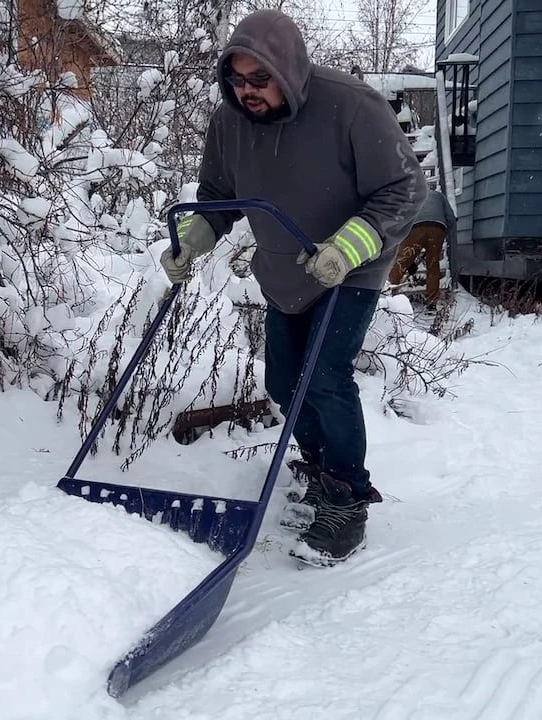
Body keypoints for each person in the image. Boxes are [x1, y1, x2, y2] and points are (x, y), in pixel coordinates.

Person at [158, 9, 427, 566]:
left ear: (289, 69)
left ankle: (347, 497)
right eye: (237, 79)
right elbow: (219, 196)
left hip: (350, 266)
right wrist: (193, 239)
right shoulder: (229, 122)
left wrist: (349, 245)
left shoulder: (351, 105)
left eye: (261, 78)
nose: (247, 91)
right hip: (285, 271)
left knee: (325, 377)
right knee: (284, 382)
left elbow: (405, 187)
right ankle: (322, 470)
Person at [388, 187, 456, 306]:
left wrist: (409, 261)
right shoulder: (439, 196)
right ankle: (432, 301)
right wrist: (443, 234)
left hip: (415, 228)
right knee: (433, 265)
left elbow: (400, 221)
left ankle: (389, 295)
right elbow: (451, 218)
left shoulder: (410, 196)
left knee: (401, 262)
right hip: (437, 228)